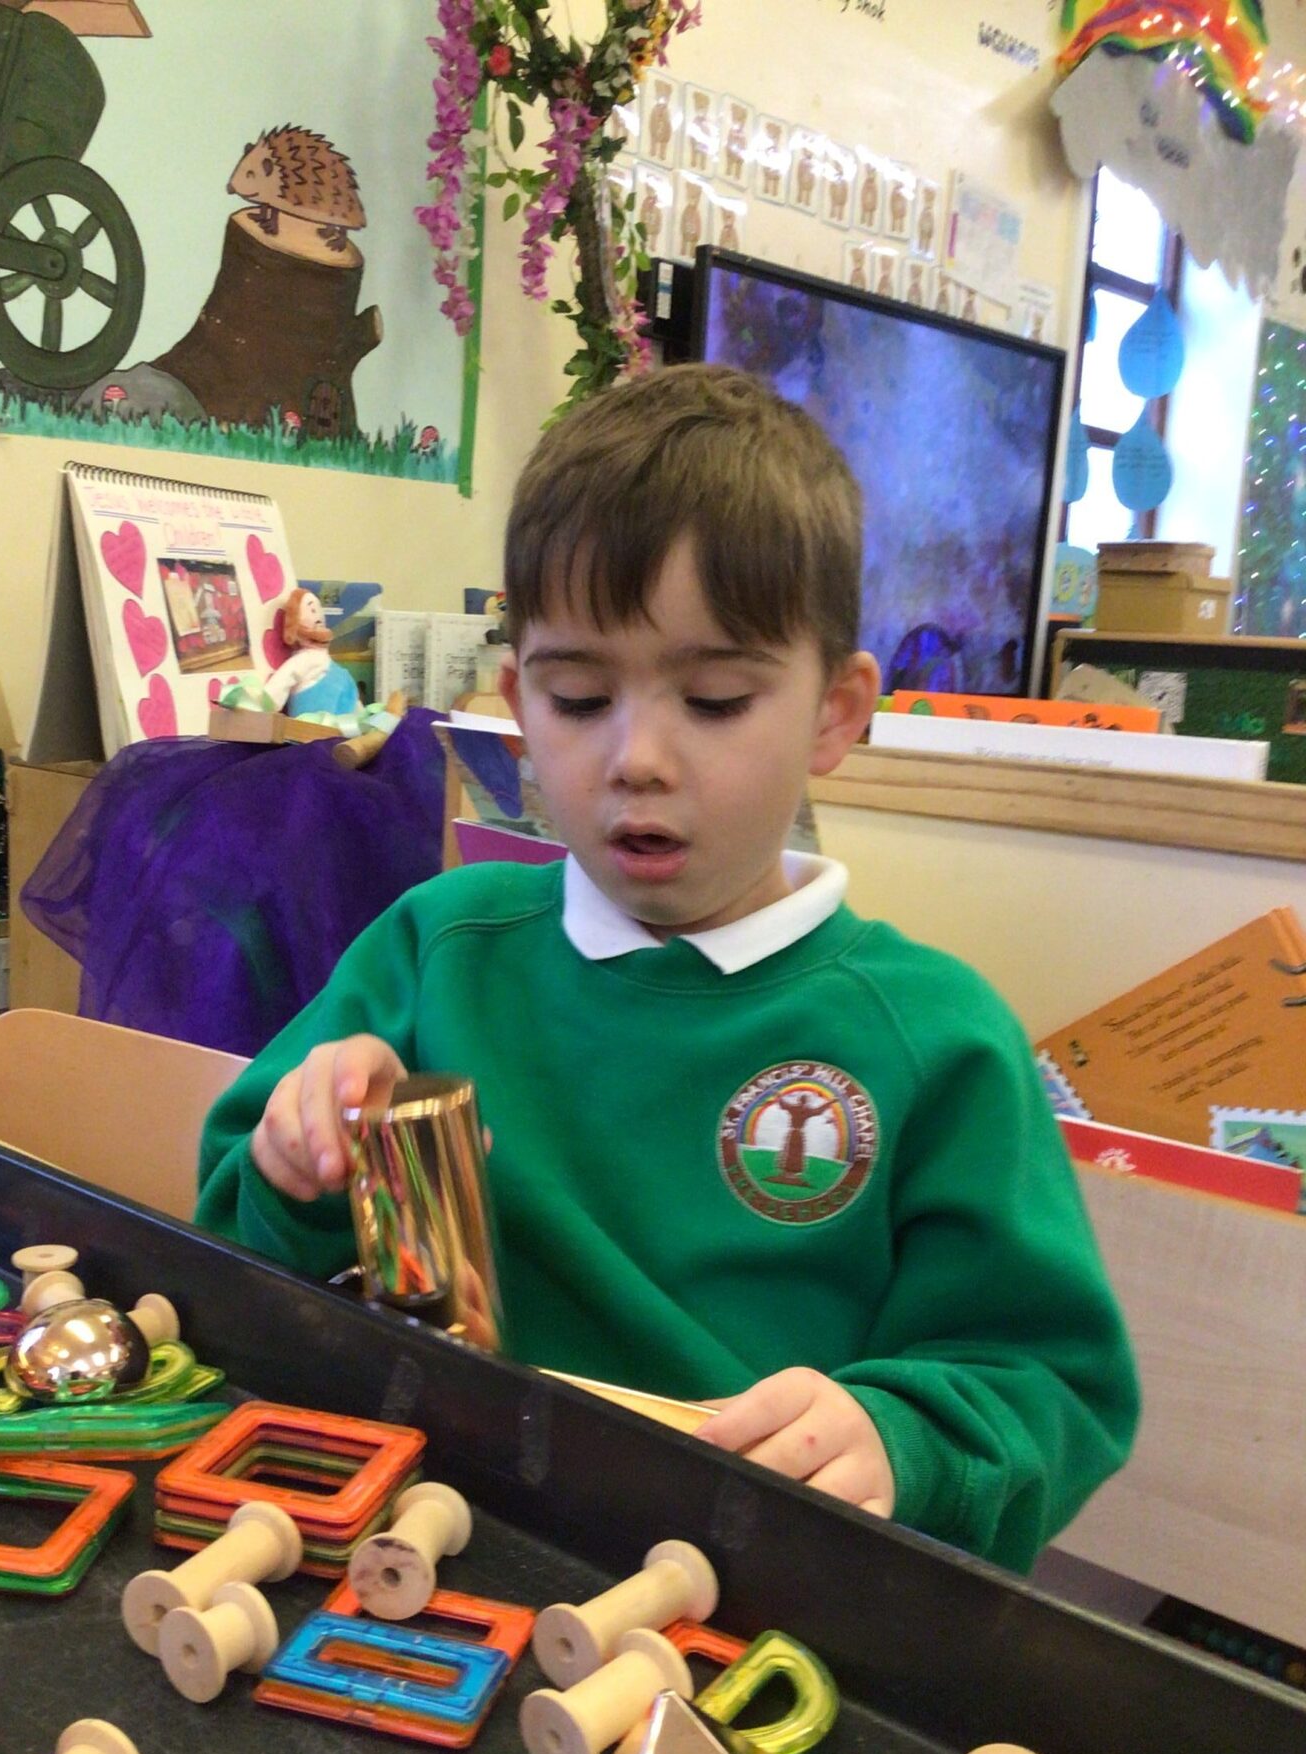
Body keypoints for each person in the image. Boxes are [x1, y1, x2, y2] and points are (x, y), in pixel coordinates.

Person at [197, 362, 1138, 1572]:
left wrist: (903, 1441)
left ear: (836, 712)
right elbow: (234, 1247)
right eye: (580, 696)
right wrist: (297, 1165)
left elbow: (1048, 1386)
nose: (636, 756)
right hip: (434, 1549)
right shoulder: (438, 947)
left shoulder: (935, 1039)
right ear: (517, 703)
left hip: (754, 1597)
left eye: (716, 698)